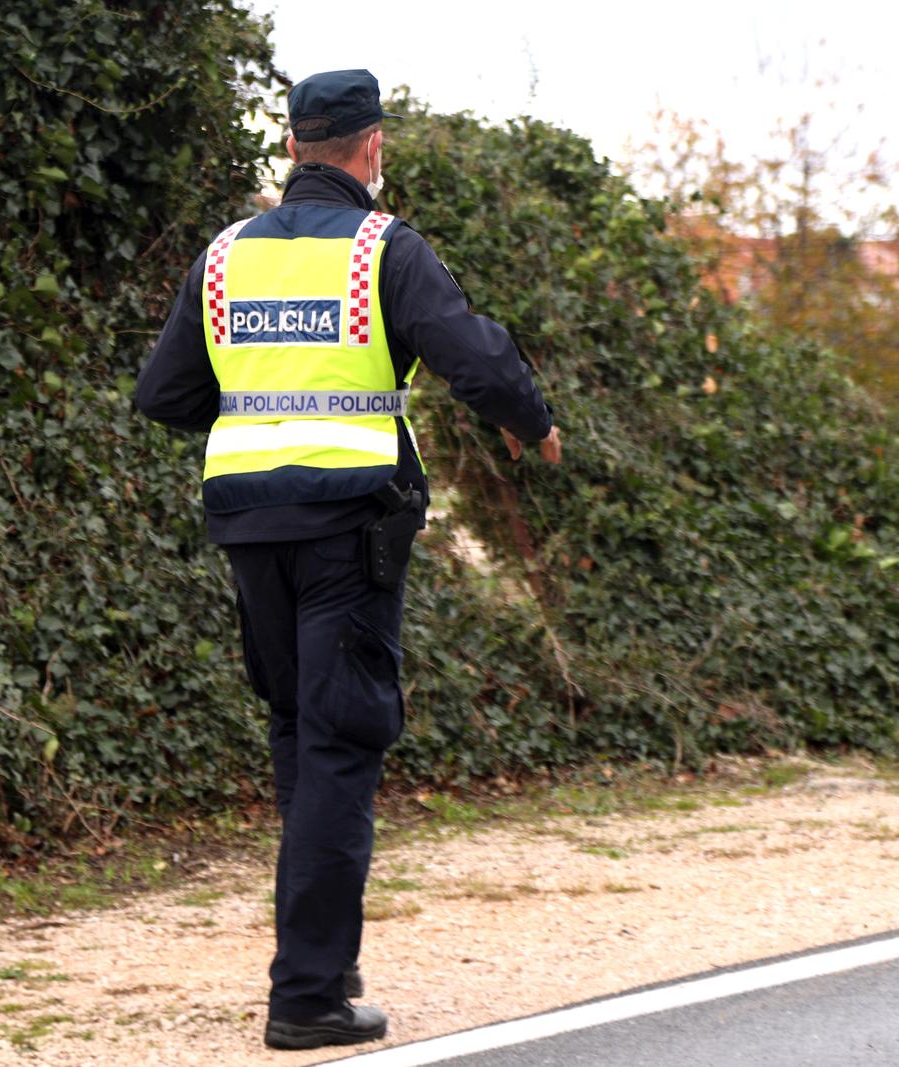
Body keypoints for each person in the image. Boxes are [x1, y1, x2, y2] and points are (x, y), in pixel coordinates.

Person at [134, 68, 561, 1051]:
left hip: (248, 519)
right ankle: (308, 994)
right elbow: (475, 355)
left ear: (292, 148)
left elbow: (162, 395)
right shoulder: (382, 247)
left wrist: (262, 416)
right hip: (347, 524)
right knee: (341, 738)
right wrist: (529, 425)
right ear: (372, 147)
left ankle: (324, 960)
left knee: (299, 728)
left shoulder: (225, 255)